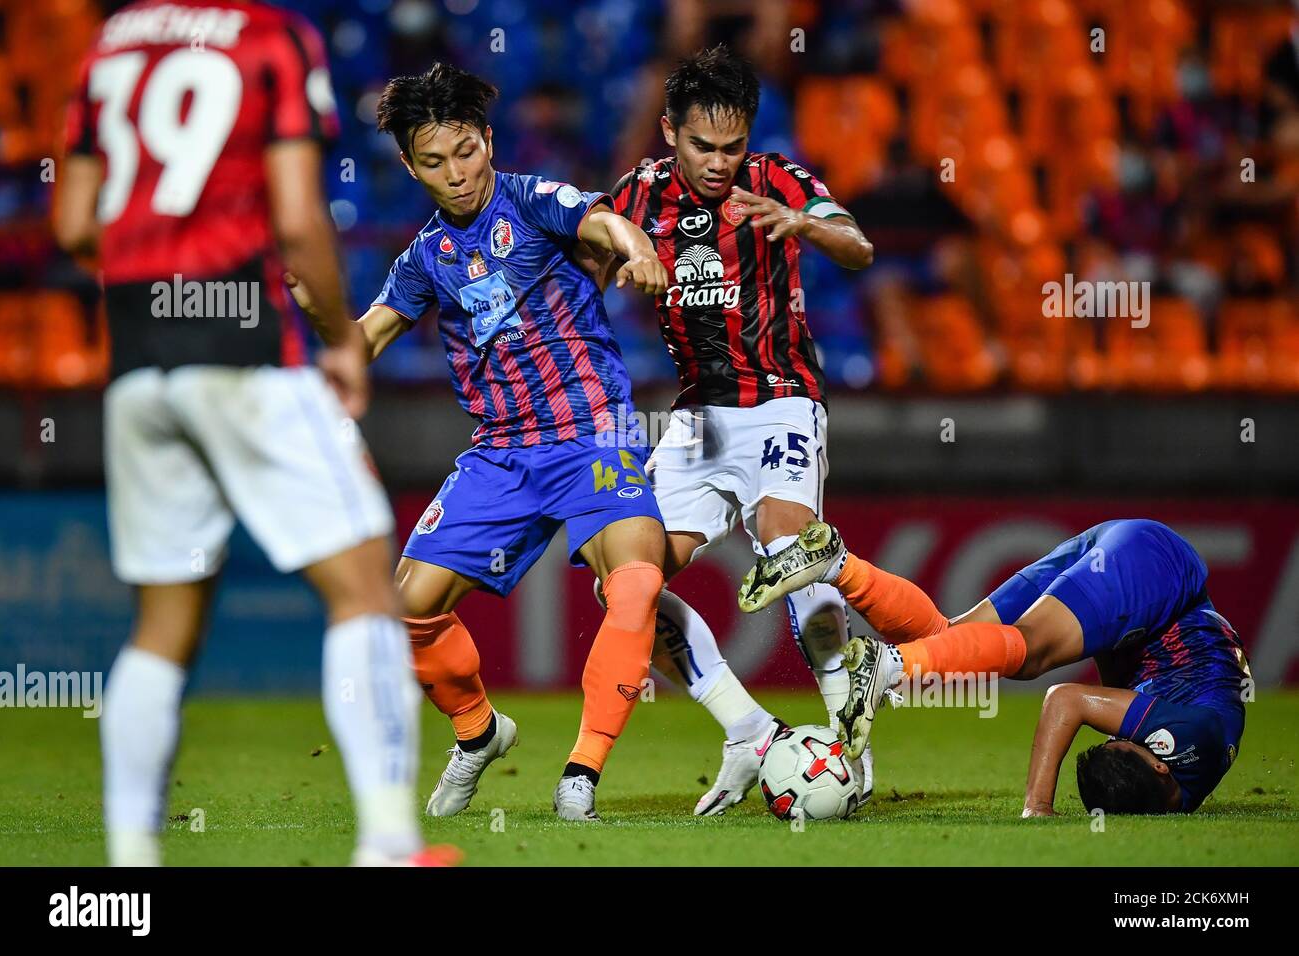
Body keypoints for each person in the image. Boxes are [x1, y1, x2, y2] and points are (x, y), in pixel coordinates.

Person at [56, 0, 448, 865]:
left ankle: (129, 864)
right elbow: (301, 219)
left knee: (161, 626)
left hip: (136, 358)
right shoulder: (270, 37)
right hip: (242, 351)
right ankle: (388, 842)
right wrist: (344, 341)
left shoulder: (107, 48)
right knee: (363, 592)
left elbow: (76, 224)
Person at [288, 63, 670, 822]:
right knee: (403, 614)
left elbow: (601, 220)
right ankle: (480, 733)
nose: (457, 174)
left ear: (488, 139)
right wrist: (325, 319)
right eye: (434, 161)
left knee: (636, 582)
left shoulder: (531, 199)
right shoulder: (425, 258)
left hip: (593, 431)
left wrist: (638, 249)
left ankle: (581, 774)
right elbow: (367, 340)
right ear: (408, 166)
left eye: (466, 151)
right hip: (502, 453)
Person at [598, 44, 874, 816]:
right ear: (667, 132)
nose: (721, 163)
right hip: (694, 418)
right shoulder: (637, 196)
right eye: (702, 146)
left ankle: (849, 746)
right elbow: (581, 261)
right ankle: (747, 729)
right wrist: (622, 252)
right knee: (625, 584)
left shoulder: (776, 178)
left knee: (792, 554)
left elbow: (859, 245)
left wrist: (804, 225)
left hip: (782, 398)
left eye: (733, 145)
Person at [741, 518, 1249, 814]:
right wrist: (1038, 808)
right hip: (1157, 571)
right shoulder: (1192, 740)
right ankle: (889, 667)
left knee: (950, 644)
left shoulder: (1165, 780)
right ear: (1160, 763)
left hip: (1139, 578)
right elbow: (1066, 699)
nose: (1123, 731)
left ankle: (837, 565)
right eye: (1130, 741)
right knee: (1030, 655)